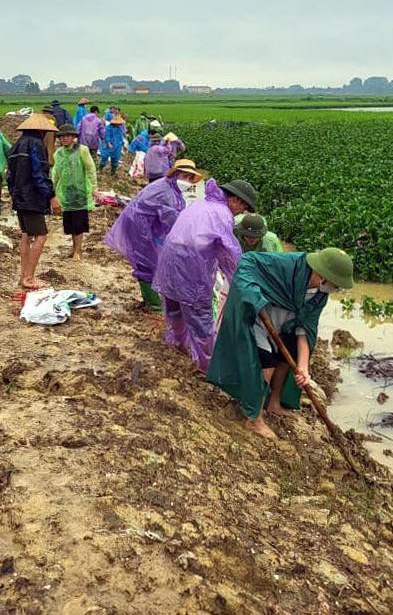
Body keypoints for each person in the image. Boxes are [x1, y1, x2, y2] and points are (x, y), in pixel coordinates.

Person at [207, 248, 354, 439]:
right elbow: (247, 262)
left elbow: (305, 328)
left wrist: (303, 368)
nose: (335, 290)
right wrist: (252, 294)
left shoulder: (320, 295)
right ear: (322, 276)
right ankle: (254, 418)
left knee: (289, 355)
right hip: (259, 320)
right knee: (266, 364)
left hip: (283, 327)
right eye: (335, 285)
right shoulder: (288, 266)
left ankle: (274, 403)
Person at [152, 179, 257, 371]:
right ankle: (208, 366)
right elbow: (229, 253)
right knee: (201, 316)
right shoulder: (223, 214)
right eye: (243, 207)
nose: (241, 212)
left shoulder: (201, 204)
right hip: (191, 266)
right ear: (235, 200)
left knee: (174, 305)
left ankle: (177, 343)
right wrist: (240, 282)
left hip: (170, 261)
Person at [105, 159, 203, 308]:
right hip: (139, 225)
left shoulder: (172, 188)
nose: (187, 180)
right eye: (184, 176)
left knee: (152, 259)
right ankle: (152, 302)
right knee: (146, 261)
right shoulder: (166, 191)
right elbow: (172, 218)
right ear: (176, 174)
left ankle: (151, 299)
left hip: (147, 223)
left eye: (190, 178)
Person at [6, 109, 58, 289]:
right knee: (41, 236)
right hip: (32, 198)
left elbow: (9, 176)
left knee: (26, 235)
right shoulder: (36, 145)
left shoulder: (16, 146)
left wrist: (15, 195)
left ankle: (24, 275)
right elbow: (39, 174)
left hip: (20, 197)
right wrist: (51, 196)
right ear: (42, 130)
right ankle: (29, 278)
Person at [51, 123, 98, 259]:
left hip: (80, 193)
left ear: (73, 137)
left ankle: (78, 250)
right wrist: (51, 190)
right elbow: (56, 173)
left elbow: (90, 169)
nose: (64, 138)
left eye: (68, 136)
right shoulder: (58, 153)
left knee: (79, 224)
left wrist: (94, 188)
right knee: (70, 224)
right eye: (62, 137)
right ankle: (73, 249)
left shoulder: (82, 150)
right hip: (65, 193)